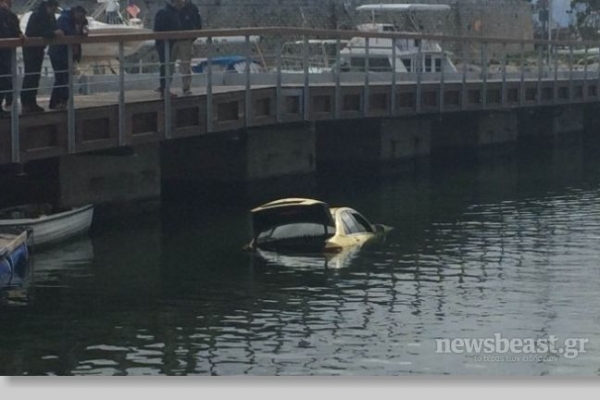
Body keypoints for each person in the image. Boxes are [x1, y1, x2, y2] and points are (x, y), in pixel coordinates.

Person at [21, 0, 63, 114]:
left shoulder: (49, 16)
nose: (54, 10)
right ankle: (26, 103)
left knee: (35, 75)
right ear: (48, 6)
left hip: (39, 48)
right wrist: (54, 33)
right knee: (31, 75)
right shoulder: (37, 15)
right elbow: (38, 31)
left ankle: (31, 102)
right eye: (53, 7)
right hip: (31, 49)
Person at [47, 6, 88, 110]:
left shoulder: (80, 20)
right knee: (61, 78)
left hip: (68, 53)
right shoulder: (64, 19)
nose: (82, 18)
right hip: (59, 52)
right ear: (76, 13)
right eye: (81, 16)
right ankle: (58, 102)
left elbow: (84, 31)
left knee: (64, 78)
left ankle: (59, 102)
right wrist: (79, 30)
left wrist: (83, 30)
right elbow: (70, 33)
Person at [154, 0, 183, 99]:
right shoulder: (168, 13)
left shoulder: (165, 12)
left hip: (166, 43)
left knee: (166, 66)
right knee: (166, 66)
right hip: (166, 43)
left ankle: (164, 88)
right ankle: (165, 89)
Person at [0, 0, 23, 116]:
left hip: (6, 52)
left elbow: (15, 30)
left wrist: (20, 34)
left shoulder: (10, 16)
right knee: (5, 78)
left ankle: (7, 102)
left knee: (6, 78)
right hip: (5, 51)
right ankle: (7, 102)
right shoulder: (9, 16)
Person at [175, 0, 201, 95]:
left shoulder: (192, 8)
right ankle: (165, 87)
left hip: (185, 40)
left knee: (185, 64)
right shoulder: (172, 7)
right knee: (168, 63)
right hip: (171, 39)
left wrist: (192, 38)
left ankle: (186, 87)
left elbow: (198, 24)